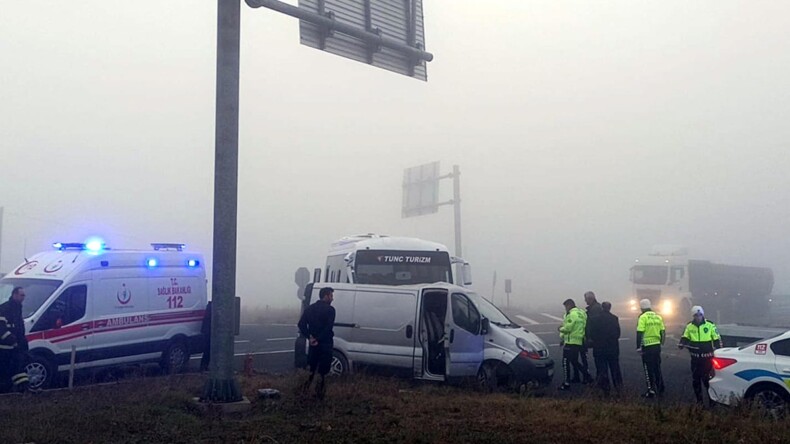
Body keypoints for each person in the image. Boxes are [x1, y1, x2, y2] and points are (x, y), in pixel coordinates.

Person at [297, 287, 336, 399]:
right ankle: (319, 395)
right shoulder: (330, 310)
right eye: (331, 296)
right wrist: (318, 339)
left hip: (313, 345)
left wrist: (310, 337)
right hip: (325, 344)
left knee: (311, 370)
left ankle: (303, 393)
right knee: (323, 372)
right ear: (326, 296)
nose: (332, 298)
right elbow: (328, 328)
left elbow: (301, 324)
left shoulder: (309, 309)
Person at [679, 305, 721, 404]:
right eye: (696, 315)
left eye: (700, 315)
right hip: (695, 358)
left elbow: (716, 340)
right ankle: (699, 401)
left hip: (707, 359)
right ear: (693, 316)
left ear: (703, 315)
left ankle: (712, 401)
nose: (698, 317)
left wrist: (719, 351)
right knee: (696, 380)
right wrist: (682, 344)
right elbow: (685, 337)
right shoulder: (689, 326)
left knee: (708, 381)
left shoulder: (710, 325)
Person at [0, 287, 32, 393]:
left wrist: (23, 344)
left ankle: (23, 389)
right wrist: (11, 339)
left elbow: (19, 329)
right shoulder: (5, 308)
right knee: (6, 371)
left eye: (24, 295)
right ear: (14, 295)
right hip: (4, 349)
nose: (24, 297)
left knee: (17, 368)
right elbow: (1, 328)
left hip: (14, 348)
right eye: (22, 295)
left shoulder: (17, 308)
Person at [558, 298, 592, 391]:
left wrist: (560, 329)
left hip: (570, 342)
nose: (565, 309)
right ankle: (587, 376)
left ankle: (566, 382)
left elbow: (568, 328)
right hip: (579, 341)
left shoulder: (571, 315)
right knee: (575, 361)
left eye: (565, 307)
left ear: (569, 305)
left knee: (565, 362)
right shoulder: (582, 313)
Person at [636, 299, 665, 398]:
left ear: (641, 308)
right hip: (657, 346)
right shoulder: (658, 317)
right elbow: (663, 331)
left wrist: (638, 347)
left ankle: (651, 390)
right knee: (657, 367)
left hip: (647, 346)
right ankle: (660, 388)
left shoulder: (642, 317)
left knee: (648, 369)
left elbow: (640, 332)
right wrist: (662, 343)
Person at [592, 301, 623, 394]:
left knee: (602, 369)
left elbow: (593, 333)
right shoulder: (614, 318)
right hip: (613, 348)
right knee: (615, 368)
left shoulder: (596, 319)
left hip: (600, 348)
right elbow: (618, 333)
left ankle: (606, 389)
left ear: (602, 307)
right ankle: (618, 388)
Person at [583, 291, 603, 385]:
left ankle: (601, 381)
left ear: (590, 299)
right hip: (597, 339)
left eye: (586, 299)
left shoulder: (595, 309)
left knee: (599, 361)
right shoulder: (596, 308)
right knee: (599, 361)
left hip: (597, 340)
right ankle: (600, 379)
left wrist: (590, 338)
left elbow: (593, 325)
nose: (585, 301)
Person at [199, 301, 212, 372]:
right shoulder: (213, 307)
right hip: (209, 331)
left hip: (207, 330)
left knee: (208, 350)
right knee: (208, 350)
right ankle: (204, 367)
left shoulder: (210, 306)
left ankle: (204, 366)